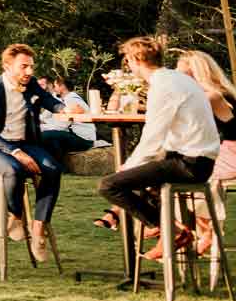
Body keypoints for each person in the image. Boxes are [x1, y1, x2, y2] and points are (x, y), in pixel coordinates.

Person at [95, 37, 221, 264]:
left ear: (135, 59)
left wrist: (130, 164)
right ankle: (165, 228)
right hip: (197, 159)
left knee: (109, 185)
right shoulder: (178, 79)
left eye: (127, 59)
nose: (127, 64)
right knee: (144, 180)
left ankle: (168, 229)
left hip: (190, 164)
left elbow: (153, 137)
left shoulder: (163, 86)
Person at [0, 43, 64, 263]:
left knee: (53, 169)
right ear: (7, 66)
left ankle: (38, 229)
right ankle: (15, 215)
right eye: (23, 67)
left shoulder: (32, 84)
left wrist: (65, 109)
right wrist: (15, 152)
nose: (29, 72)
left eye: (31, 67)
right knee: (14, 169)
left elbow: (50, 101)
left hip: (25, 142)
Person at [176, 50, 236, 255]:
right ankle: (201, 231)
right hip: (224, 149)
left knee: (196, 173)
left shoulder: (213, 96)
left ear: (199, 75)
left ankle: (206, 232)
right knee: (186, 169)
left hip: (232, 152)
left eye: (185, 76)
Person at [37, 74, 97, 158]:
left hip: (83, 139)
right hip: (77, 135)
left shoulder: (71, 100)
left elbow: (62, 126)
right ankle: (58, 164)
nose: (54, 88)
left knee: (45, 136)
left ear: (62, 87)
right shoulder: (67, 99)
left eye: (55, 86)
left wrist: (41, 127)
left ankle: (56, 165)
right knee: (50, 137)